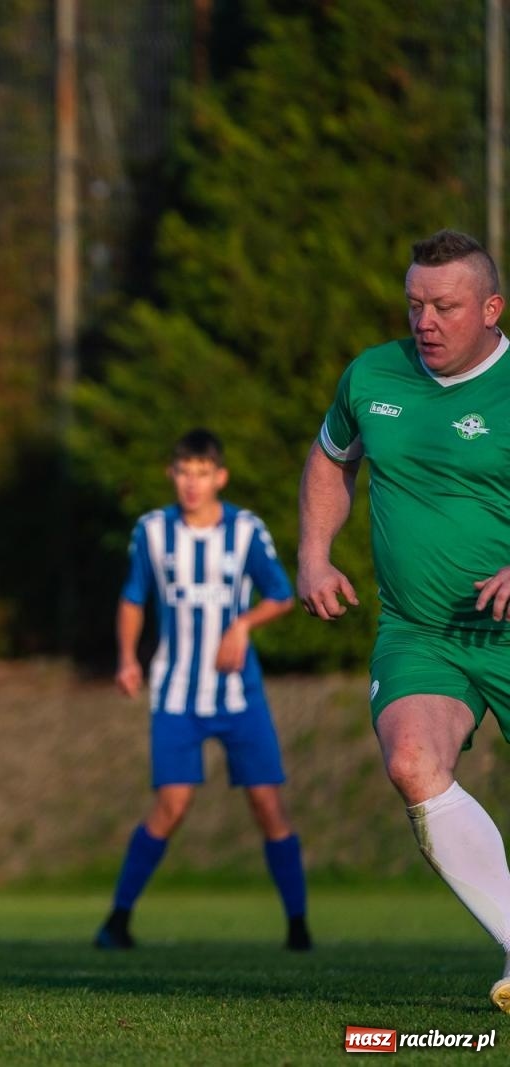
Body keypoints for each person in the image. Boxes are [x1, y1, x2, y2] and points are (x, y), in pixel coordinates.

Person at [300, 228, 510, 1011]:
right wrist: (315, 554)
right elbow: (331, 456)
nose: (426, 320)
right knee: (412, 761)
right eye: (415, 303)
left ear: (490, 308)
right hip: (423, 631)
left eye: (446, 306)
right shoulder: (374, 374)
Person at [94, 430, 307, 951]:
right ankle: (117, 921)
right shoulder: (152, 531)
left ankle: (298, 926)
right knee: (172, 805)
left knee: (267, 805)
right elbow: (133, 597)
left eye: (203, 473)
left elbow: (281, 594)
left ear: (221, 477)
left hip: (240, 695)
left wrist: (242, 626)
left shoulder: (246, 530)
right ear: (173, 475)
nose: (193, 483)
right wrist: (126, 659)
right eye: (184, 472)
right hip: (175, 693)